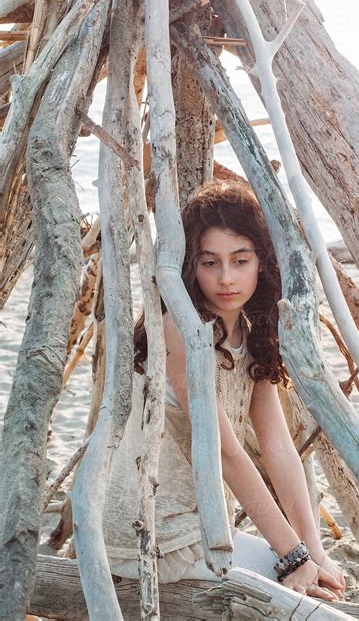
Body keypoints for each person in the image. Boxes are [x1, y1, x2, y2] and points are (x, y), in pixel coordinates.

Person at [103, 180, 345, 601]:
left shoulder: (251, 334)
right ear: (190, 267)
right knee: (297, 599)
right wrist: (292, 555)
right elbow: (224, 450)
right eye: (210, 262)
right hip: (153, 532)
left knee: (318, 587)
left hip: (206, 529)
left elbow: (277, 445)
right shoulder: (183, 331)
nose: (226, 278)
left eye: (240, 260)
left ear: (262, 263)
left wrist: (313, 549)